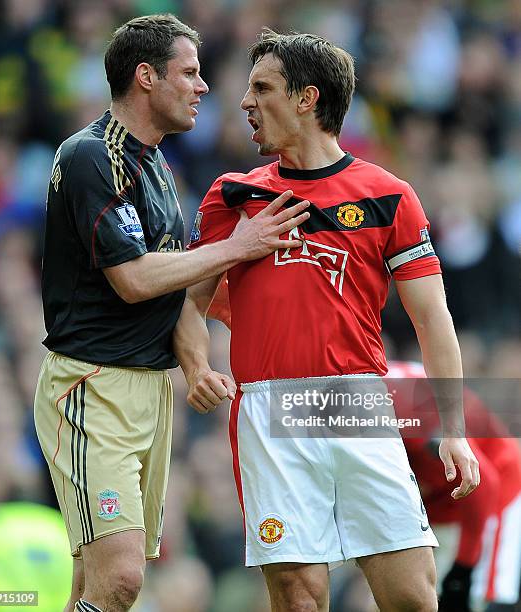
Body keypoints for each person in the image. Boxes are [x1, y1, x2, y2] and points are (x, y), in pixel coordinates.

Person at [173, 28, 480, 612]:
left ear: (307, 98)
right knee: (297, 596)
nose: (244, 103)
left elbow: (433, 321)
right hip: (268, 408)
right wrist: (195, 367)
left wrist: (455, 430)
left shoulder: (388, 195)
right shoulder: (232, 194)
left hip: (355, 401)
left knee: (413, 596)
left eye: (261, 88)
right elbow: (189, 304)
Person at [33, 15, 309, 612]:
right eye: (189, 72)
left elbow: (175, 291)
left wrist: (197, 365)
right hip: (91, 387)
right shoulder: (89, 157)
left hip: (150, 392)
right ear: (145, 77)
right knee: (123, 577)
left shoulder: (158, 167)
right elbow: (133, 280)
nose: (204, 87)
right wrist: (240, 245)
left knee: (96, 582)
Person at [386, 361, 521, 612]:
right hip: (436, 495)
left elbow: (484, 484)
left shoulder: (410, 417)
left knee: (483, 594)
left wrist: (463, 568)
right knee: (412, 594)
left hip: (493, 483)